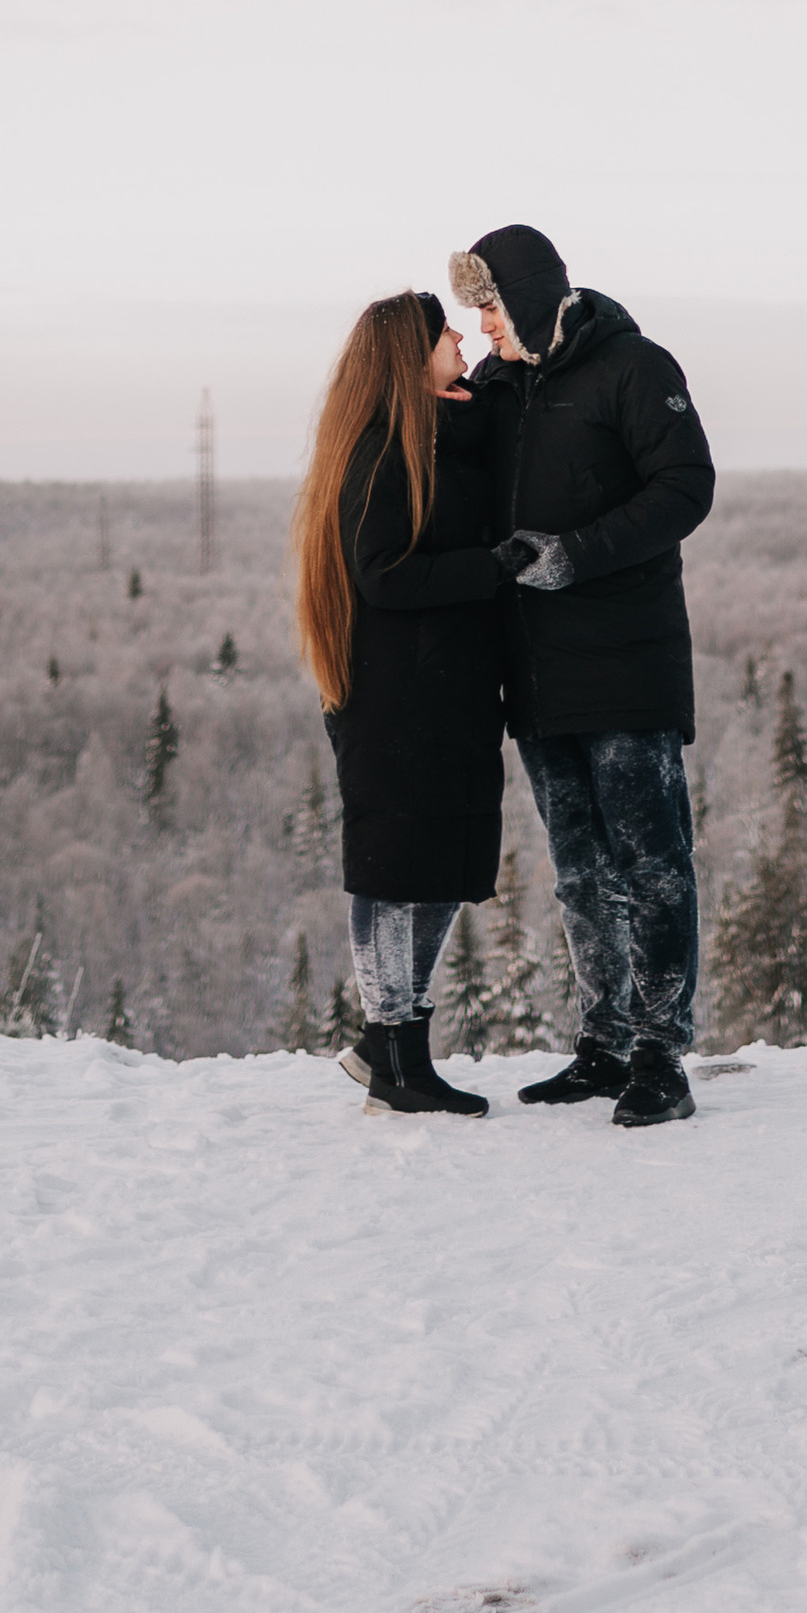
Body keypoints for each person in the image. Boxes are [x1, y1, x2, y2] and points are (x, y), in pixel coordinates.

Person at [449, 222, 715, 1130]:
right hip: (536, 673)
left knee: (652, 863)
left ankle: (661, 1053)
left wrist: (576, 555)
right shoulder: (499, 385)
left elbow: (686, 487)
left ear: (525, 294)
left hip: (626, 662)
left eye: (487, 305)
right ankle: (602, 1043)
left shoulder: (636, 367)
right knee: (578, 871)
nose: (480, 325)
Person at [291, 287, 504, 1116]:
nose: (458, 336)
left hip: (445, 693)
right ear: (404, 358)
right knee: (394, 871)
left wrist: (481, 395)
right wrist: (493, 564)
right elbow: (384, 570)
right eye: (443, 331)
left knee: (442, 868)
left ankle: (391, 1048)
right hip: (393, 697)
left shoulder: (422, 441)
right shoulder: (376, 451)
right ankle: (396, 1050)